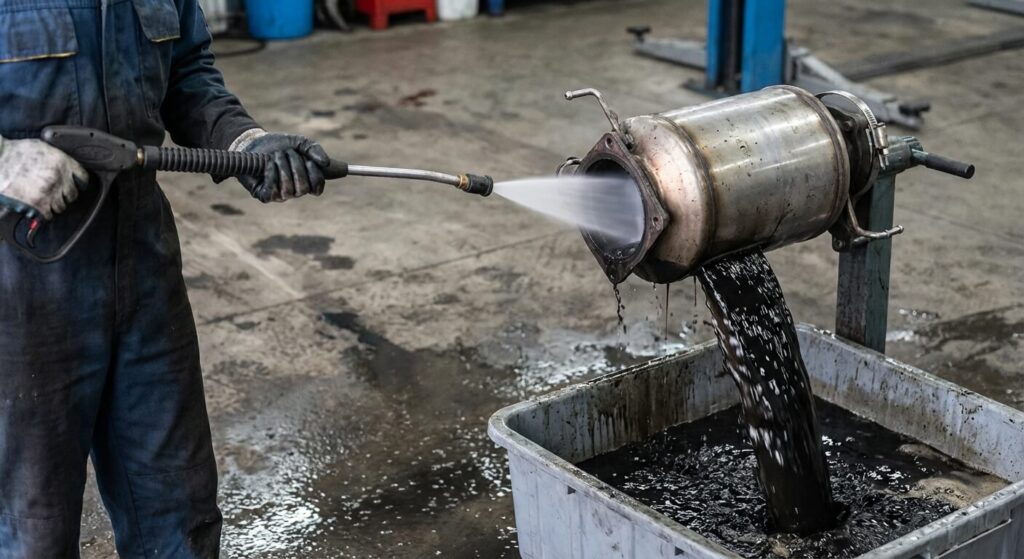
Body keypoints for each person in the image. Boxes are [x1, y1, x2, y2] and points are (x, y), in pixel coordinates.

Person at [0, 1, 328, 556]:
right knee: (32, 528)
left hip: (144, 268)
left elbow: (188, 72)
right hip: (20, 286)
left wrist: (244, 143)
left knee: (179, 514)